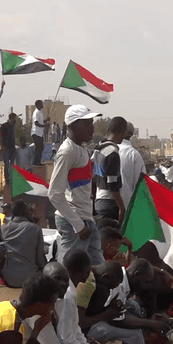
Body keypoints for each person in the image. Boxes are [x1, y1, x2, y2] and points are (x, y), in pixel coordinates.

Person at [31, 262, 111, 344]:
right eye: (56, 279)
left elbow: (72, 332)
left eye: (66, 280)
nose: (63, 284)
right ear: (44, 280)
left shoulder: (59, 301)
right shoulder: (38, 311)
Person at [49, 105, 104, 265]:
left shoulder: (81, 150)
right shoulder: (67, 151)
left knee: (98, 271)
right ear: (72, 125)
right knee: (68, 273)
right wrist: (78, 225)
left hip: (86, 220)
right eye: (87, 123)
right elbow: (54, 194)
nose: (92, 128)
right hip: (75, 223)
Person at [79, 259, 161, 344]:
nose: (146, 286)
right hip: (90, 327)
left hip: (98, 319)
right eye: (145, 281)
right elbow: (117, 320)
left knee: (134, 307)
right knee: (135, 335)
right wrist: (150, 324)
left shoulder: (116, 277)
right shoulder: (116, 283)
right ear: (136, 275)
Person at [0, 200, 47, 288]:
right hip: (31, 278)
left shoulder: (4, 228)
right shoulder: (35, 229)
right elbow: (40, 259)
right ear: (27, 212)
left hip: (9, 278)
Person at [92, 117, 126, 222]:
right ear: (121, 132)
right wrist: (121, 208)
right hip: (109, 204)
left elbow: (93, 178)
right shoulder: (113, 153)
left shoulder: (98, 150)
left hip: (98, 201)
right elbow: (112, 185)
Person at [119, 120, 147, 207]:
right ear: (131, 134)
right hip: (127, 207)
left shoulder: (104, 150)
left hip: (103, 205)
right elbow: (142, 185)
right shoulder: (134, 154)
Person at [31, 99, 50, 166]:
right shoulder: (36, 112)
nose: (42, 105)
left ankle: (38, 161)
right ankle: (36, 162)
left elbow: (40, 122)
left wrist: (46, 121)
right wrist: (44, 126)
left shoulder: (40, 112)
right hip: (36, 132)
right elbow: (36, 123)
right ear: (38, 104)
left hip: (39, 133)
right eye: (41, 103)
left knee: (41, 147)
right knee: (39, 147)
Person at [0, 113, 18, 183]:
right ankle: (7, 178)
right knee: (6, 163)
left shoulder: (13, 126)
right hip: (6, 147)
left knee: (13, 163)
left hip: (12, 146)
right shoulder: (5, 125)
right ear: (12, 118)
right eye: (14, 118)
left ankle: (12, 177)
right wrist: (1, 144)